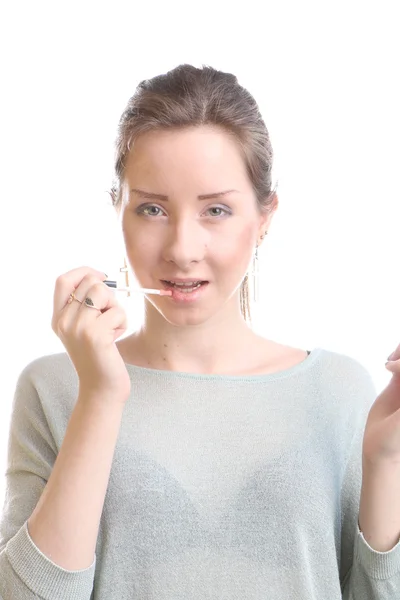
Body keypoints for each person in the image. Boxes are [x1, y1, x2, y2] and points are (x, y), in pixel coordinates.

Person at [0, 64, 398, 600]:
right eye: (152, 208)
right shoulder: (53, 388)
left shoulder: (341, 391)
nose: (183, 249)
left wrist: (387, 464)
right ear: (117, 209)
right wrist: (100, 396)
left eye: (215, 209)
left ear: (264, 218)